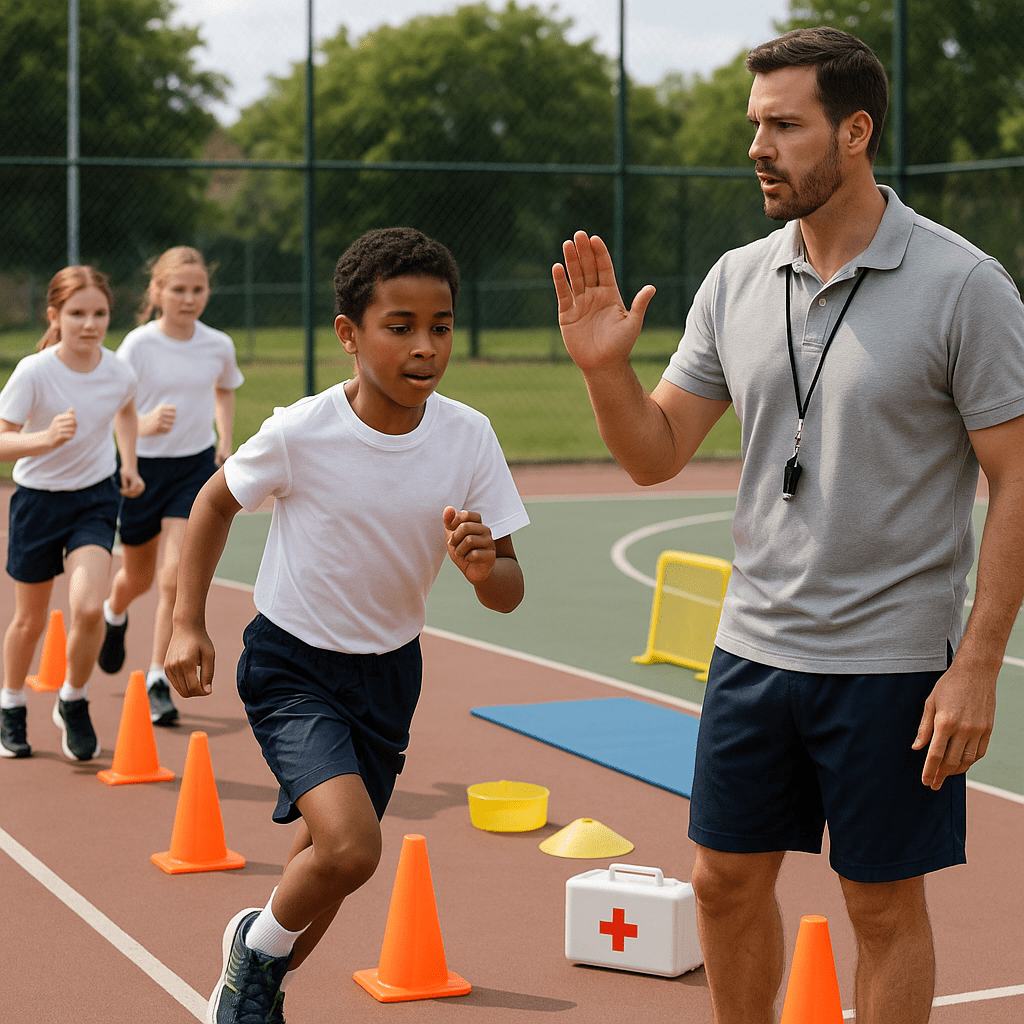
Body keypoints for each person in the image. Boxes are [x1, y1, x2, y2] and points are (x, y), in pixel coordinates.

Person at [552, 27, 1024, 1024]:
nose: (758, 147)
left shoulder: (963, 285)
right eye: (753, 125)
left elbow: (1016, 470)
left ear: (854, 131)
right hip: (753, 646)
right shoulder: (734, 279)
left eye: (784, 125)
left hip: (894, 660)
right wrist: (605, 373)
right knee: (721, 881)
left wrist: (977, 659)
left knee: (881, 903)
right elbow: (654, 452)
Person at [164, 226, 529, 1023]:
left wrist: (480, 569)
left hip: (389, 673)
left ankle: (256, 964)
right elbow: (214, 501)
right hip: (291, 663)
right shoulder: (303, 431)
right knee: (354, 848)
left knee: (324, 862)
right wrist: (187, 620)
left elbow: (508, 589)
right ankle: (252, 978)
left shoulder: (469, 436)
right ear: (349, 335)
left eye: (440, 327)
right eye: (400, 327)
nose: (424, 346)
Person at [0, 266, 144, 762]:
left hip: (95, 500)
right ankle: (12, 703)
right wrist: (43, 439)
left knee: (87, 608)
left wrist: (128, 462)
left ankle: (73, 700)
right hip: (38, 503)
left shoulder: (119, 370)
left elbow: (126, 410)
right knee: (30, 620)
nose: (89, 324)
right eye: (77, 313)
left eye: (99, 313)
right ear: (54, 316)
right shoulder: (34, 371)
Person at [97, 246, 244, 727]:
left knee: (173, 576)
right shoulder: (138, 346)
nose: (188, 298)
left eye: (197, 289)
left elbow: (225, 389)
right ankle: (114, 614)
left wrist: (224, 440)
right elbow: (115, 412)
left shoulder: (218, 344)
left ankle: (158, 677)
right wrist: (141, 431)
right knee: (136, 579)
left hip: (193, 468)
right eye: (177, 289)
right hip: (144, 471)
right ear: (157, 291)